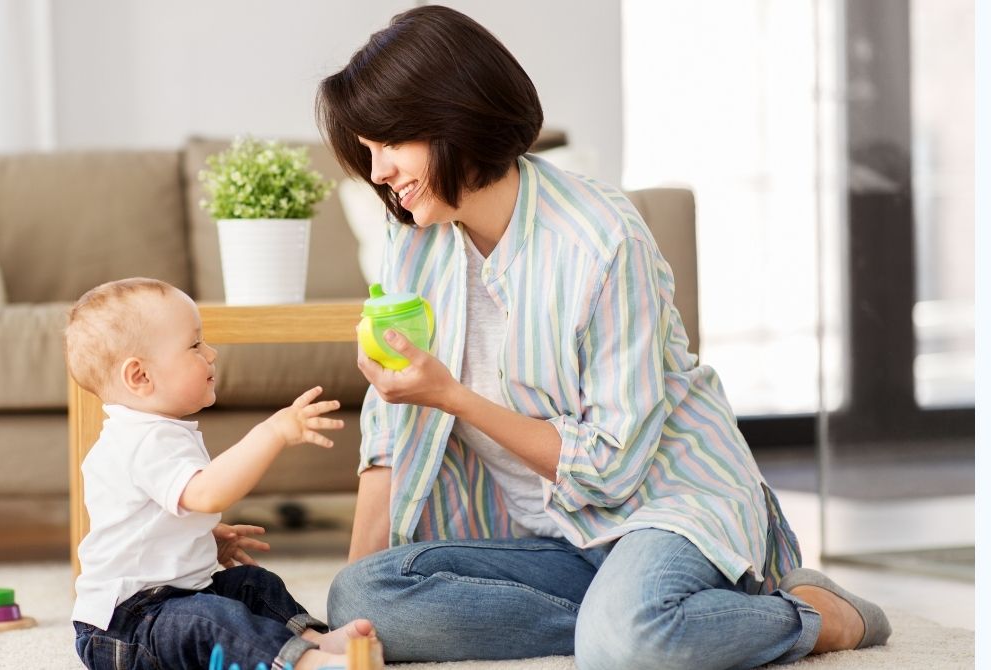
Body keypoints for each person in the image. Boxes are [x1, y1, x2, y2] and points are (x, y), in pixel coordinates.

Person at [315, 6, 891, 668]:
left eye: (390, 144)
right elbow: (391, 433)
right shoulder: (412, 239)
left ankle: (818, 619)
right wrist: (346, 617)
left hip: (663, 507)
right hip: (554, 541)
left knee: (625, 646)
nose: (379, 171)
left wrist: (453, 397)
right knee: (365, 594)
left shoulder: (600, 238)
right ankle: (643, 619)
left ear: (453, 117)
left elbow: (614, 467)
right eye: (369, 152)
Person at [65, 277, 382, 670]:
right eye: (195, 345)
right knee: (210, 620)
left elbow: (146, 524)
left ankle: (315, 640)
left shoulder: (152, 433)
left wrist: (199, 537)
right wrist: (272, 433)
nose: (211, 353)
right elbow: (207, 493)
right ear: (141, 377)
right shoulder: (143, 441)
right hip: (125, 628)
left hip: (167, 600)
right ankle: (304, 664)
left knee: (251, 584)